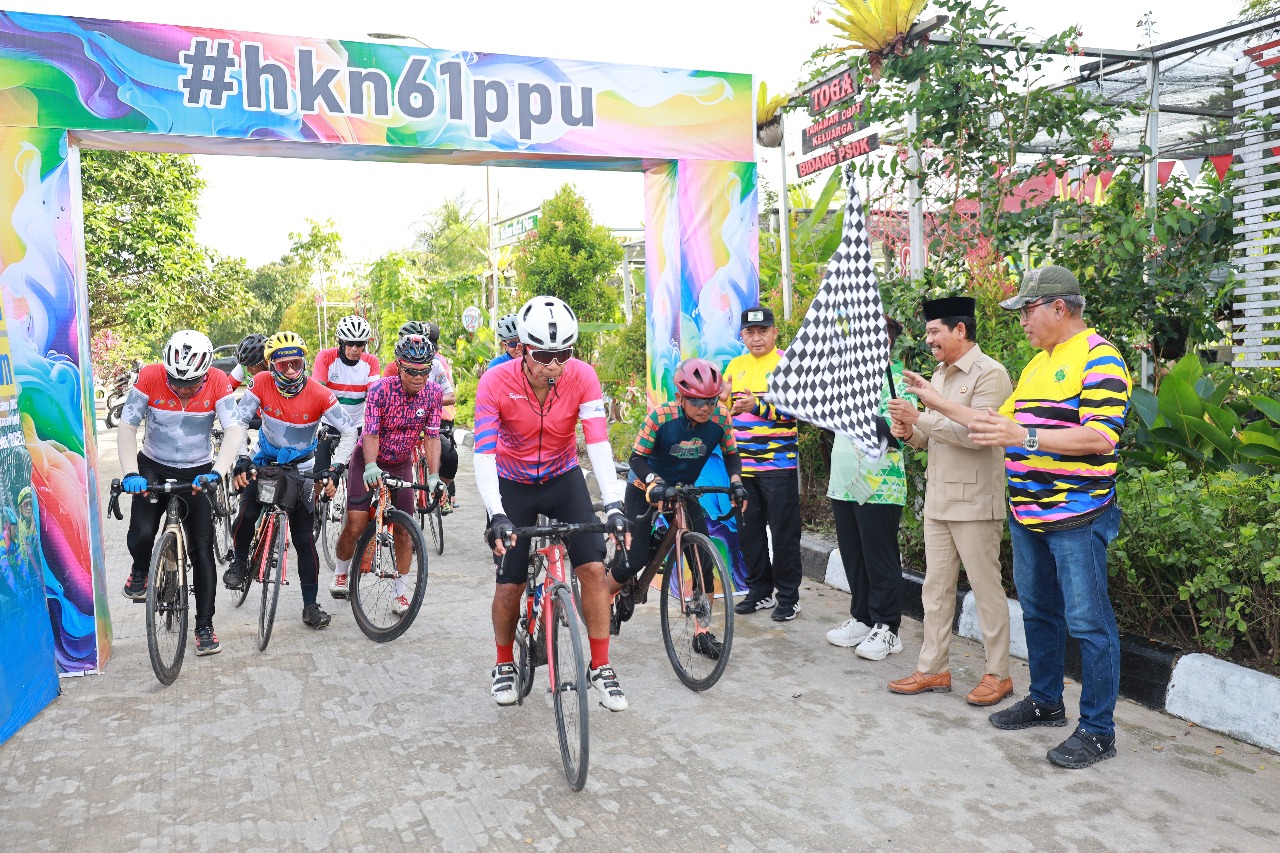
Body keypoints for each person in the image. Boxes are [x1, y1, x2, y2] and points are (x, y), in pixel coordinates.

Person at [968, 265, 1132, 770]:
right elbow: (999, 423)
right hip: (1029, 514)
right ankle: (1045, 701)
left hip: (1077, 517)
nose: (1022, 320)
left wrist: (1027, 439)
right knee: (1039, 613)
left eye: (1028, 309)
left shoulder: (1101, 359)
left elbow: (1101, 437)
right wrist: (931, 405)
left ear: (1060, 307)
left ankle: (1099, 731)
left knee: (1089, 623)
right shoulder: (1039, 364)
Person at [474, 295, 631, 710]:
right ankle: (504, 662)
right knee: (509, 584)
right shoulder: (496, 382)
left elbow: (597, 441)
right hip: (514, 483)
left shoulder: (583, 377)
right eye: (544, 355)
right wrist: (496, 513)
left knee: (594, 569)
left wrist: (613, 503)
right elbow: (484, 454)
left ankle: (600, 666)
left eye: (564, 353)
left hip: (563, 478)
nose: (555, 365)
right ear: (524, 349)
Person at [885, 297, 1015, 705]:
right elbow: (935, 436)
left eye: (934, 331)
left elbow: (976, 434)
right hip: (939, 498)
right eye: (927, 333)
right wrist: (909, 431)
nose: (929, 340)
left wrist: (920, 415)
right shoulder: (939, 375)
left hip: (976, 502)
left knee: (985, 590)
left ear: (960, 330)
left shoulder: (990, 374)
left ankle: (999, 674)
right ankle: (933, 669)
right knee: (935, 590)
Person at [118, 330, 245, 656]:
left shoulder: (218, 382)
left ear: (206, 374)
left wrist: (217, 472)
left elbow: (233, 430)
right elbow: (127, 427)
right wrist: (131, 473)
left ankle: (204, 625)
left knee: (202, 552)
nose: (182, 389)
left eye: (190, 383)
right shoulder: (148, 377)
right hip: (153, 466)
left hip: (197, 471)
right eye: (175, 381)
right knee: (143, 531)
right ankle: (141, 568)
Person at [224, 331, 358, 629]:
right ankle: (240, 560)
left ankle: (310, 606)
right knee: (246, 511)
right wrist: (242, 457)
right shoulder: (259, 383)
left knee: (303, 538)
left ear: (304, 362)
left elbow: (350, 431)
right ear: (270, 366)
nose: (290, 370)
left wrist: (336, 467)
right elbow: (239, 421)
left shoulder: (320, 394)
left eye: (295, 364)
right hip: (266, 462)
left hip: (302, 470)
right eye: (282, 365)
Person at [623, 357, 748, 657]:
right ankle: (605, 599)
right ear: (680, 397)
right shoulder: (661, 416)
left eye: (711, 400)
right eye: (695, 401)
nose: (705, 407)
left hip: (684, 492)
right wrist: (654, 482)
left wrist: (736, 482)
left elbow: (731, 455)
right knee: (636, 556)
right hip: (645, 488)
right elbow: (636, 458)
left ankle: (701, 633)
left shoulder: (721, 418)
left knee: (703, 560)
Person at [824, 317, 915, 661]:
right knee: (854, 555)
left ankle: (888, 627)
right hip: (845, 481)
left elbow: (899, 431)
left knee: (880, 558)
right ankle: (863, 618)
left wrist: (860, 415)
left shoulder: (898, 381)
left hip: (881, 486)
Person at [330, 334, 443, 608]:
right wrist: (370, 465)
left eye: (425, 370)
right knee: (356, 523)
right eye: (411, 371)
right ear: (399, 366)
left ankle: (399, 594)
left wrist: (434, 476)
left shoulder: (434, 394)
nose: (418, 377)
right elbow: (370, 432)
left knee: (405, 529)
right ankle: (341, 572)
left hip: (401, 462)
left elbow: (432, 436)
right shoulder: (381, 389)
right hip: (367, 459)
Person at [724, 306, 803, 622]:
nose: (756, 338)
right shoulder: (735, 364)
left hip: (778, 467)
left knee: (784, 534)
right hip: (743, 468)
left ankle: (788, 597)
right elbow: (725, 407)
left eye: (762, 331)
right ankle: (759, 592)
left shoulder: (787, 363)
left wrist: (756, 405)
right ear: (742, 335)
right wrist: (723, 402)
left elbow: (795, 411)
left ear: (774, 333)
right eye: (750, 332)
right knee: (749, 532)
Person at [385, 320, 458, 512]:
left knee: (450, 455)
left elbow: (451, 396)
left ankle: (444, 490)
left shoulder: (436, 364)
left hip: (428, 421)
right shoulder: (393, 367)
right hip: (401, 424)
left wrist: (428, 402)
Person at [312, 314, 380, 479]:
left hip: (355, 426)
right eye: (350, 344)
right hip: (329, 424)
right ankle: (316, 503)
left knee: (357, 478)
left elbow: (374, 398)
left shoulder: (371, 362)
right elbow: (317, 393)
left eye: (360, 344)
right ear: (341, 342)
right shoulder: (326, 357)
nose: (354, 349)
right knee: (319, 475)